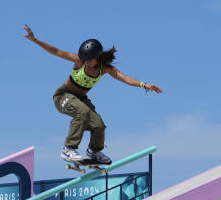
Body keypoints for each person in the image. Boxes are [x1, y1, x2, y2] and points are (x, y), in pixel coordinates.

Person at [23, 24, 162, 163]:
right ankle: (68, 149)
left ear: (97, 57)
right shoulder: (79, 61)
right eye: (85, 60)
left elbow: (124, 78)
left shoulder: (105, 69)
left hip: (81, 99)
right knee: (82, 112)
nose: (87, 63)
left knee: (98, 125)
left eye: (90, 60)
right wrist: (35, 40)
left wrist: (144, 85)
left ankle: (94, 151)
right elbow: (56, 51)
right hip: (63, 96)